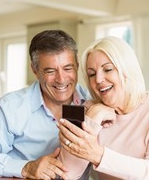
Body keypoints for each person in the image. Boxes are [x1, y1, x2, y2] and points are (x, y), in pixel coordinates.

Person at [0, 29, 92, 180]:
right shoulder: (9, 109)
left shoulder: (93, 104)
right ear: (35, 70)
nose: (61, 79)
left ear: (77, 66)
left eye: (68, 68)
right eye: (50, 71)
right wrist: (26, 168)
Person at [58, 36, 149, 180]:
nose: (98, 80)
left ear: (127, 70)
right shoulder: (82, 109)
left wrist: (97, 155)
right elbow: (66, 173)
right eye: (91, 74)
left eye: (107, 69)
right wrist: (92, 117)